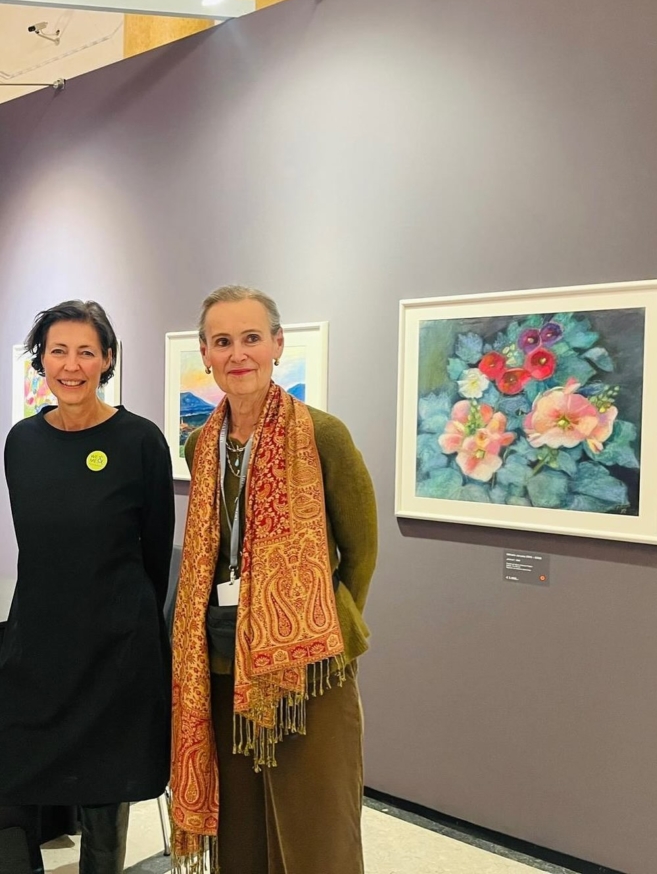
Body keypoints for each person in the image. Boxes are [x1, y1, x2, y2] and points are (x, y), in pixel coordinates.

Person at [170, 286, 378, 874]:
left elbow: (360, 550)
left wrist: (322, 623)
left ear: (278, 345)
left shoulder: (322, 434)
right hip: (221, 657)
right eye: (223, 341)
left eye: (252, 338)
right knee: (241, 827)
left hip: (309, 666)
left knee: (317, 828)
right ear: (205, 353)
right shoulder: (200, 444)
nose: (239, 354)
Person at [0, 300, 175, 874]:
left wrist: (133, 628)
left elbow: (154, 556)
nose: (70, 365)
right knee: (14, 783)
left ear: (107, 361)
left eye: (85, 351)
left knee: (106, 791)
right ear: (40, 360)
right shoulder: (21, 442)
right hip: (37, 649)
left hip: (115, 653)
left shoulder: (140, 442)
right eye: (57, 351)